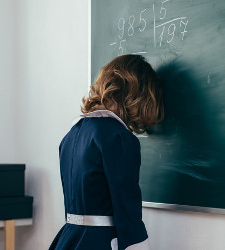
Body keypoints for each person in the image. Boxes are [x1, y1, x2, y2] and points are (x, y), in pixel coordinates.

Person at [49, 54, 164, 250]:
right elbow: (127, 210)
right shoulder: (118, 137)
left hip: (69, 239)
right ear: (137, 94)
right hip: (100, 242)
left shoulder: (71, 135)